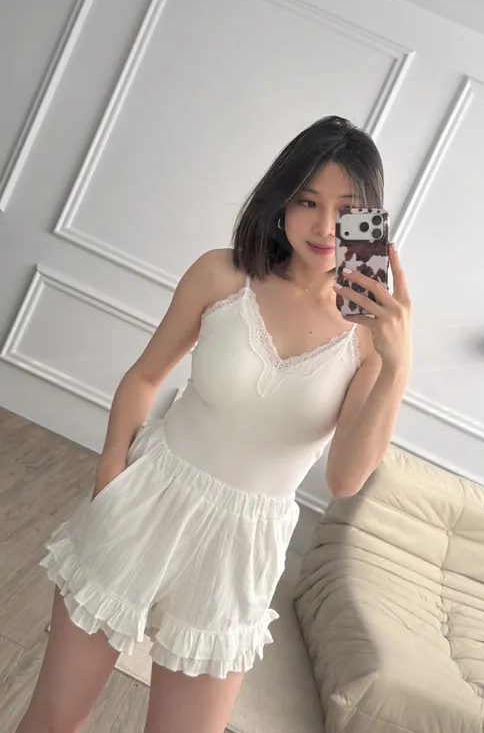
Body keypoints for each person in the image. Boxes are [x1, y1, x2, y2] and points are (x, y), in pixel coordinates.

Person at [17, 115, 412, 733]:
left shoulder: (367, 338)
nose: (324, 227)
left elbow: (344, 479)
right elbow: (145, 377)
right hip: (147, 496)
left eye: (346, 209)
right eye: (308, 201)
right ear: (280, 201)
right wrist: (109, 483)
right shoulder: (223, 275)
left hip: (244, 545)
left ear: (372, 220)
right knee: (52, 718)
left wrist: (396, 363)